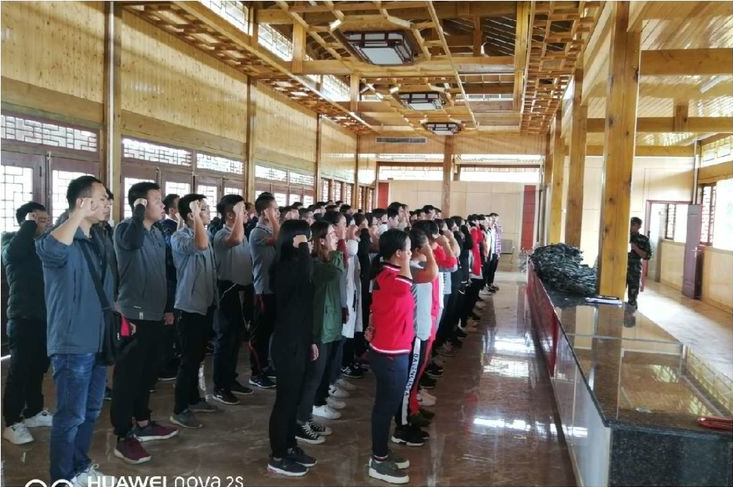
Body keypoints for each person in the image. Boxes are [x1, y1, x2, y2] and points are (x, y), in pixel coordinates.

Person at [36, 175, 115, 485]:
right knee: (70, 416)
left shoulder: (98, 238)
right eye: (102, 198)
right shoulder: (57, 238)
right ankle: (62, 478)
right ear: (83, 202)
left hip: (97, 339)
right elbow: (51, 252)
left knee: (91, 410)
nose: (108, 204)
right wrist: (77, 215)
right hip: (72, 343)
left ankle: (80, 468)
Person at [111, 182, 178, 464]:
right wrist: (138, 212)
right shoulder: (126, 229)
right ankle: (123, 435)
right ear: (140, 204)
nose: (162, 205)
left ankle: (143, 422)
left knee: (147, 375)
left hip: (155, 314)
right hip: (133, 316)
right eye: (156, 200)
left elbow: (161, 272)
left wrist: (167, 307)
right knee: (127, 378)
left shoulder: (157, 233)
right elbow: (133, 242)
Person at [268, 219, 318, 476]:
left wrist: (311, 340)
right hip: (287, 342)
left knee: (294, 399)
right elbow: (302, 277)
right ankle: (277, 455)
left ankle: (289, 446)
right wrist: (303, 250)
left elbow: (306, 308)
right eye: (305, 239)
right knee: (285, 400)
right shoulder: (283, 267)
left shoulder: (299, 265)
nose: (309, 244)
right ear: (294, 241)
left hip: (300, 339)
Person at [364, 229, 414, 484]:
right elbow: (406, 285)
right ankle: (378, 460)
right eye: (407, 249)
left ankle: (381, 451)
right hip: (390, 354)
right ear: (398, 253)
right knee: (385, 408)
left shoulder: (386, 274)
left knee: (387, 405)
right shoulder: (393, 278)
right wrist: (405, 261)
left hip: (392, 349)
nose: (411, 253)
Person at [2, 202, 52, 445]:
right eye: (39, 220)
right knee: (19, 371)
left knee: (38, 368)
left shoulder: (44, 245)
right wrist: (29, 225)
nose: (45, 223)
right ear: (26, 222)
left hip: (45, 318)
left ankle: (34, 412)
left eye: (46, 219)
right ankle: (12, 422)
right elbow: (13, 254)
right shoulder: (10, 242)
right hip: (22, 318)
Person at [170, 194, 220, 429]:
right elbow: (199, 245)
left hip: (205, 304)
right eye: (204, 209)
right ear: (191, 215)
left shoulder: (205, 235)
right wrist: (196, 216)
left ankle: (193, 399)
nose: (209, 213)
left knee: (198, 356)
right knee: (189, 360)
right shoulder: (179, 237)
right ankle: (179, 409)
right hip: (189, 307)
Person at [297, 221, 344, 431]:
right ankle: (302, 421)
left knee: (320, 373)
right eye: (332, 235)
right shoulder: (317, 265)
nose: (337, 237)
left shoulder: (326, 261)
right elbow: (336, 272)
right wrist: (337, 251)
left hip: (327, 325)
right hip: (318, 329)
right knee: (313, 378)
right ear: (321, 241)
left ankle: (307, 417)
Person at [212, 194, 254, 405]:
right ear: (230, 215)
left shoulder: (242, 233)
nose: (247, 214)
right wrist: (238, 216)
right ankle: (220, 386)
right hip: (228, 291)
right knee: (226, 340)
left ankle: (230, 379)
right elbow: (235, 240)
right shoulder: (222, 234)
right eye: (241, 211)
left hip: (242, 292)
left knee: (236, 339)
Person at [248, 193, 280, 388]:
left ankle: (265, 366)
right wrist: (274, 219)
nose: (277, 213)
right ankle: (256, 372)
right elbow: (278, 238)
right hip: (263, 290)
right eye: (274, 210)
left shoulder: (268, 228)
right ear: (263, 212)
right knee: (259, 335)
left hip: (273, 289)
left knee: (268, 332)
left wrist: (273, 219)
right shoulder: (257, 232)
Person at [627, 217, 652, 308]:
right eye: (631, 224)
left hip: (634, 269)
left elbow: (647, 256)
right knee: (615, 294)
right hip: (620, 268)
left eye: (634, 225)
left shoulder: (643, 239)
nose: (631, 226)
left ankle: (631, 314)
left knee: (632, 297)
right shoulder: (623, 236)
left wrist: (635, 248)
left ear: (639, 226)